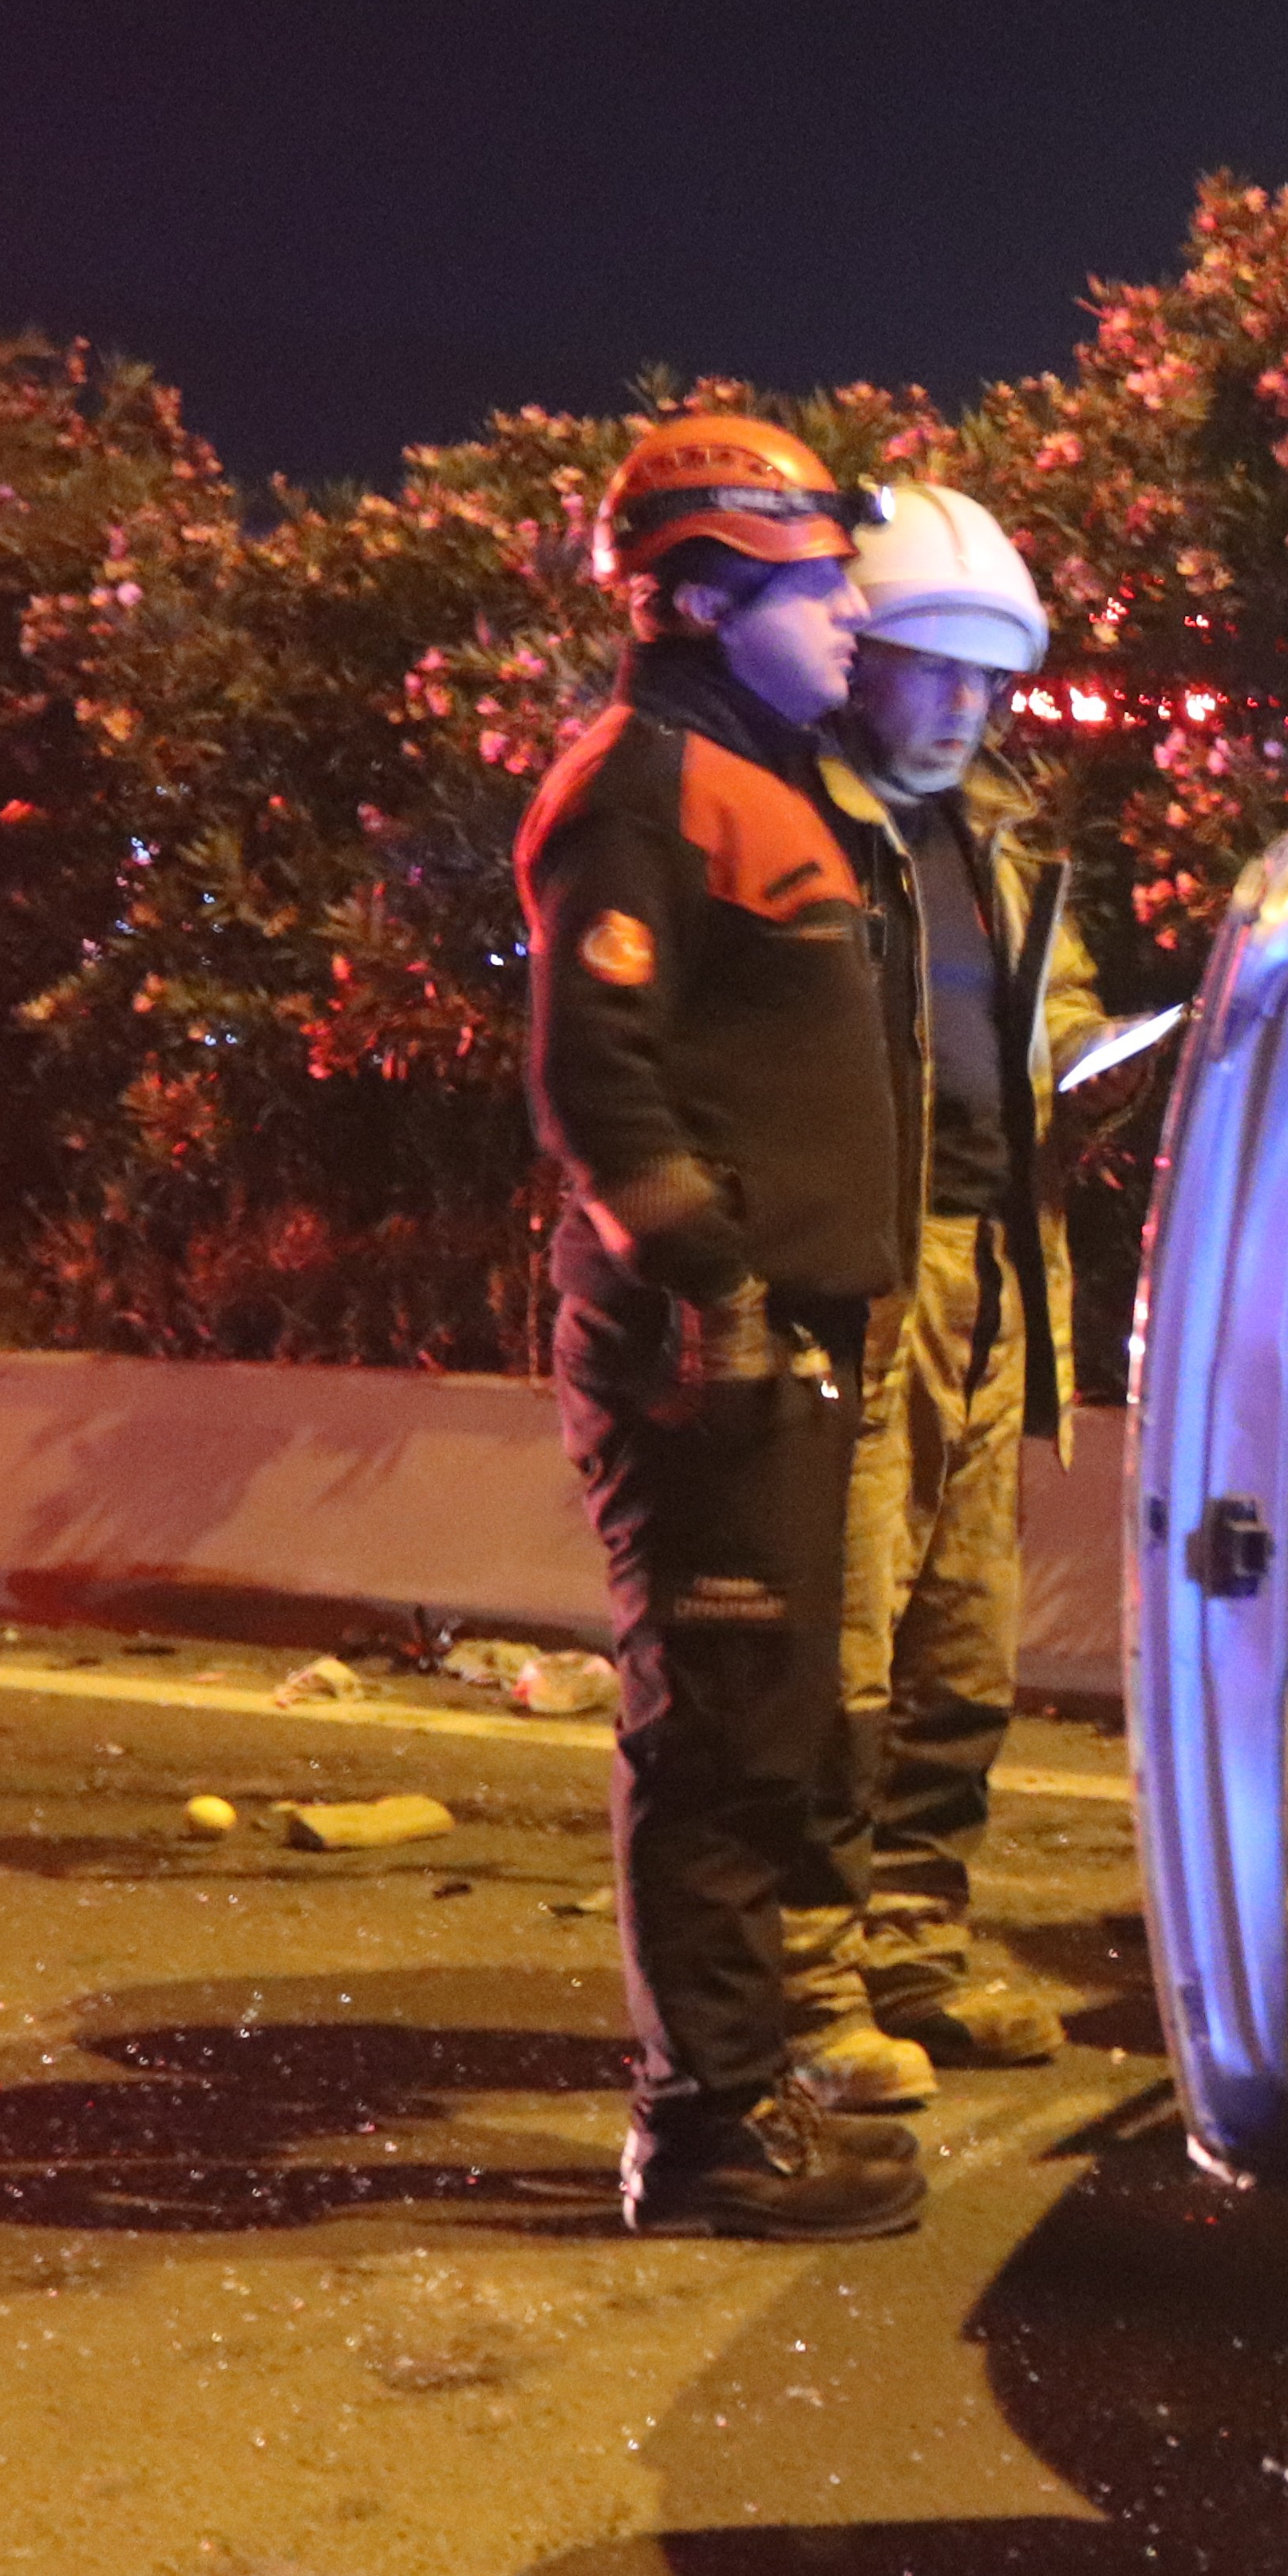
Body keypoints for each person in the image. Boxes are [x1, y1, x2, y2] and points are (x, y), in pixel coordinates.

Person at [520, 412, 928, 2239]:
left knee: (776, 1724)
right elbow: (598, 1079)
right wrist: (721, 1293)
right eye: (819, 587)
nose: (851, 621)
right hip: (713, 1349)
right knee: (717, 1725)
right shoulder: (640, 782)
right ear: (696, 597)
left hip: (794, 1337)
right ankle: (700, 2131)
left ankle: (748, 2076)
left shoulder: (767, 779)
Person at [776, 482, 1107, 2110]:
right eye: (941, 671)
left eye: (994, 681)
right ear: (865, 656)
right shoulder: (794, 823)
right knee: (842, 1651)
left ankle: (914, 1945)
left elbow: (1056, 1021)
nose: (972, 707)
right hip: (865, 1284)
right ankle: (811, 1989)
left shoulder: (1003, 834)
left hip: (998, 1275)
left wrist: (1101, 1080)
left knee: (960, 1651)